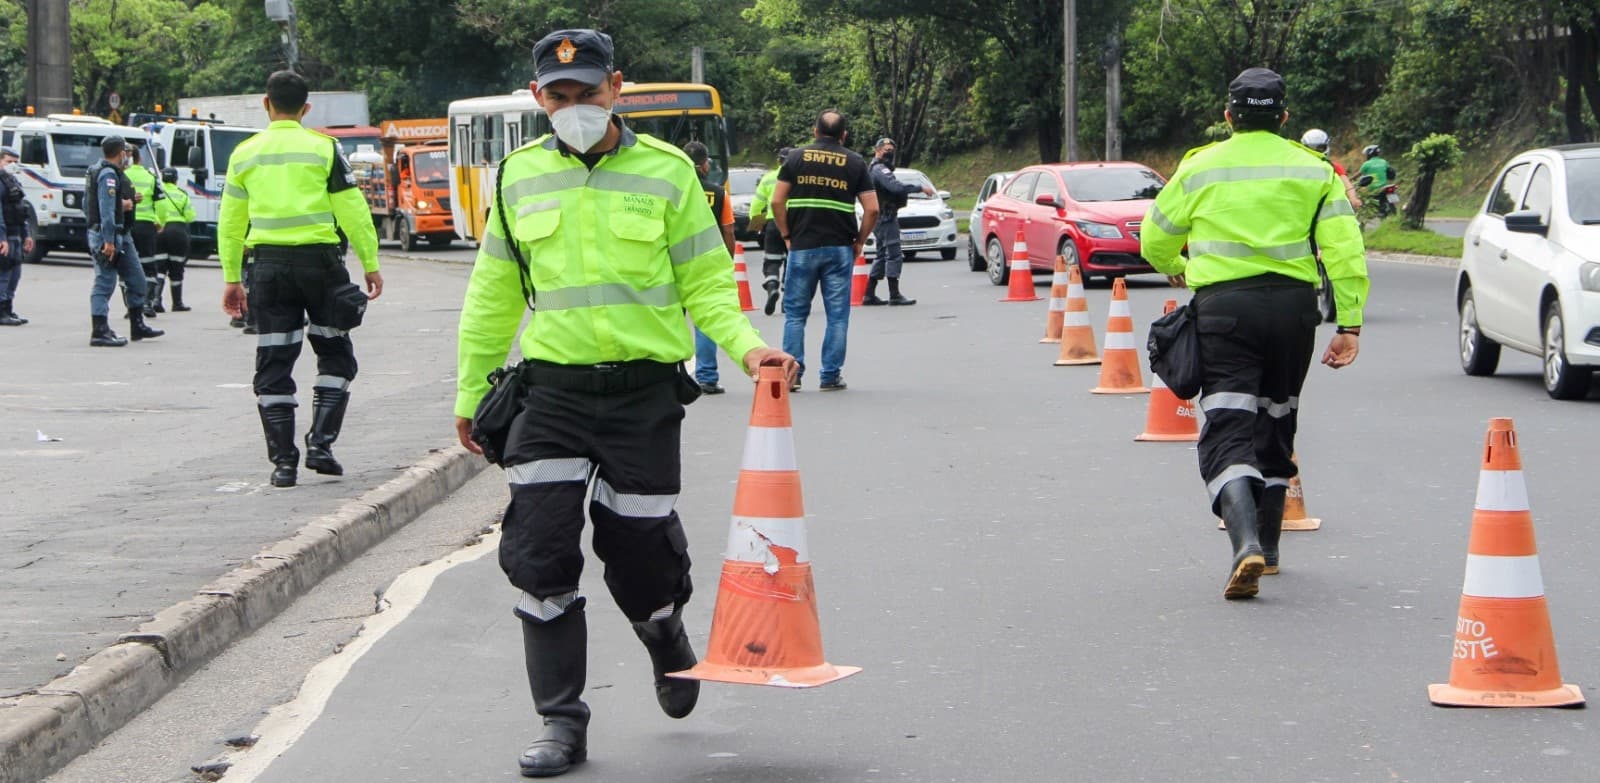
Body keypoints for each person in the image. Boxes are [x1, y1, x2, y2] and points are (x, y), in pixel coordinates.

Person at [451, 29, 794, 778]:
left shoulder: (668, 172)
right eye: (558, 95)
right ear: (538, 97)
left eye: (588, 91)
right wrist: (471, 388)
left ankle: (663, 630)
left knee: (640, 554)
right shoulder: (515, 176)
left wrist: (749, 349)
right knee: (541, 554)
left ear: (617, 87)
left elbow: (707, 282)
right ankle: (561, 722)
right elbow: (493, 292)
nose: (574, 105)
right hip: (551, 394)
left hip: (643, 396)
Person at [1139, 68, 1368, 600]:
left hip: (1225, 311)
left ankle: (1245, 544)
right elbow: (1344, 250)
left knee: (1228, 423)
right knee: (1277, 418)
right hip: (1293, 312)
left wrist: (1179, 266)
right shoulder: (1315, 170)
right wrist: (1349, 323)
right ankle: (1270, 545)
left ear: (1228, 117)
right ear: (1284, 118)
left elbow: (1154, 239)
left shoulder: (1200, 166)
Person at [218, 70, 383, 488]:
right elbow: (353, 210)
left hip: (268, 269)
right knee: (336, 353)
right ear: (306, 108)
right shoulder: (324, 149)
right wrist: (370, 262)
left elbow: (231, 223)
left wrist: (232, 277)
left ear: (266, 103)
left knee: (274, 361)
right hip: (321, 267)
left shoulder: (244, 154)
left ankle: (283, 465)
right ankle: (321, 445)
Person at [771, 110, 879, 392]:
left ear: (815, 131)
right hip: (839, 248)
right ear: (844, 135)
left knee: (795, 315)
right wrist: (859, 240)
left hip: (802, 246)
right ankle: (830, 376)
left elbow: (777, 201)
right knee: (837, 316)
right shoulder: (855, 162)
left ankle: (792, 375)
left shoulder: (796, 157)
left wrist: (786, 235)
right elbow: (872, 209)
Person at [85, 136, 161, 347]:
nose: (127, 157)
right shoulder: (107, 174)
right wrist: (108, 240)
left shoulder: (113, 172)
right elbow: (105, 209)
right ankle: (100, 330)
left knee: (137, 280)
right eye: (126, 153)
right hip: (108, 235)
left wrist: (128, 201)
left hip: (122, 234)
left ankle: (137, 324)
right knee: (105, 282)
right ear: (121, 154)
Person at [684, 140, 739, 394]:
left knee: (671, 320)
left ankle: (670, 377)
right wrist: (727, 261)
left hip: (673, 263)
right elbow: (728, 231)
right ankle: (706, 376)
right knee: (705, 320)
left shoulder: (673, 190)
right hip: (706, 264)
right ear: (705, 164)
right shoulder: (718, 193)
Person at [863, 137, 933, 306]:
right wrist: (919, 188)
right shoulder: (880, 169)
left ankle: (869, 294)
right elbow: (896, 187)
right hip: (886, 217)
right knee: (894, 254)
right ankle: (894, 294)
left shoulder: (876, 168)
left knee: (881, 254)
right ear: (877, 151)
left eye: (892, 150)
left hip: (880, 217)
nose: (889, 153)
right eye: (886, 150)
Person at [746, 146, 791, 315]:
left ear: (779, 160)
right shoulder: (800, 178)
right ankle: (787, 300)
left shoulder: (768, 178)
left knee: (771, 260)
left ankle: (772, 286)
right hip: (794, 224)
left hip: (773, 223)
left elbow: (757, 205)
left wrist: (756, 227)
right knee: (792, 261)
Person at [124, 146, 165, 317]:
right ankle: (147, 304)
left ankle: (130, 306)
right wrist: (159, 222)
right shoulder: (151, 177)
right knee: (148, 265)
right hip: (146, 226)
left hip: (127, 224)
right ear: (140, 158)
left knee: (126, 266)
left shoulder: (123, 175)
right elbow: (161, 203)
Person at [0, 146, 35, 326]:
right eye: (9, 161)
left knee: (15, 274)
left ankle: (8, 308)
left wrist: (27, 235)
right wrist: (2, 238)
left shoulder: (12, 180)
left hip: (16, 234)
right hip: (5, 234)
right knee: (4, 273)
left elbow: (21, 209)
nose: (13, 165)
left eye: (15, 162)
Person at [154, 167, 196, 311]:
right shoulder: (182, 194)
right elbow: (190, 217)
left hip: (160, 231)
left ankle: (156, 300)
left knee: (159, 267)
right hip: (178, 232)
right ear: (176, 179)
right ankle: (177, 303)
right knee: (177, 268)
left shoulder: (158, 192)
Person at [1299, 129, 1361, 210]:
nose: (1315, 152)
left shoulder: (1333, 167)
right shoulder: (1296, 167)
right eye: (1309, 148)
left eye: (1320, 148)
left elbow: (1347, 185)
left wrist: (1353, 198)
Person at [1358, 144, 1395, 212]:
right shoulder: (1384, 161)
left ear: (1369, 154)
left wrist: (1349, 179)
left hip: (1374, 189)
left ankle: (1378, 213)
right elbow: (1390, 170)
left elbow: (1358, 174)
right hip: (1385, 186)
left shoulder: (1366, 164)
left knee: (1366, 200)